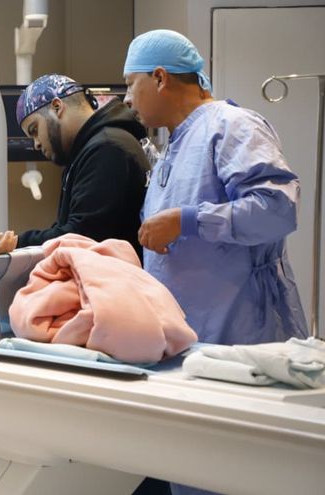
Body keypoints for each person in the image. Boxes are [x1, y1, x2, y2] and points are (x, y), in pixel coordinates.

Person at [122, 29, 308, 495]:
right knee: (194, 473)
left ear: (160, 77)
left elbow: (276, 210)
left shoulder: (232, 127)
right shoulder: (176, 144)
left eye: (130, 84)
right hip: (194, 346)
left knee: (238, 475)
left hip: (240, 339)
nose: (126, 99)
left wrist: (187, 220)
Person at [14, 74, 149, 256]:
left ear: (57, 107)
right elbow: (70, 228)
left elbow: (82, 236)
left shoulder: (107, 148)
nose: (36, 143)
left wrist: (16, 244)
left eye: (35, 130)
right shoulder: (89, 150)